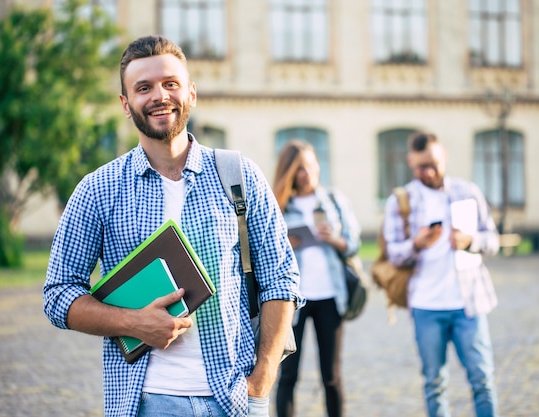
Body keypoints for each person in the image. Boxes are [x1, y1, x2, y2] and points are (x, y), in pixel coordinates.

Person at [43, 35, 304, 417]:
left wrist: (262, 378)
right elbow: (58, 294)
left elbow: (281, 278)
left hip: (235, 398)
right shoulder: (97, 189)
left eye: (170, 84)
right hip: (146, 400)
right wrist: (134, 322)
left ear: (191, 94)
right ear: (125, 103)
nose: (159, 96)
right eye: (143, 88)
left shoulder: (239, 175)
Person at [382, 132, 500, 417]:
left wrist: (470, 241)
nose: (430, 171)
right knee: (434, 383)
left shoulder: (468, 191)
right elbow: (392, 255)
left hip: (468, 303)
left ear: (444, 155)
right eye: (422, 166)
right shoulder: (401, 201)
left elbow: (494, 241)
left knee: (482, 380)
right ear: (411, 162)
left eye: (434, 163)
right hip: (426, 306)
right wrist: (417, 244)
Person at [272, 140, 361, 417]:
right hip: (292, 301)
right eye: (300, 169)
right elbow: (263, 250)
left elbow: (354, 243)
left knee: (331, 376)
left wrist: (333, 239)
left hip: (330, 298)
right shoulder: (278, 206)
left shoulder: (334, 200)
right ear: (290, 172)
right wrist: (285, 242)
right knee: (288, 375)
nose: (307, 174)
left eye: (311, 166)